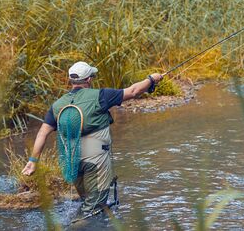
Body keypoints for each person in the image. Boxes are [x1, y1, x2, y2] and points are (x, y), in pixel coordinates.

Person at [22, 61, 163, 213]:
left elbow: (42, 133)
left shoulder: (57, 105)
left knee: (87, 201)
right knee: (93, 209)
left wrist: (33, 161)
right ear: (89, 79)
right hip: (95, 161)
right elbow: (134, 91)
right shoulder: (101, 96)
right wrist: (151, 79)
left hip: (72, 163)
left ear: (71, 81)